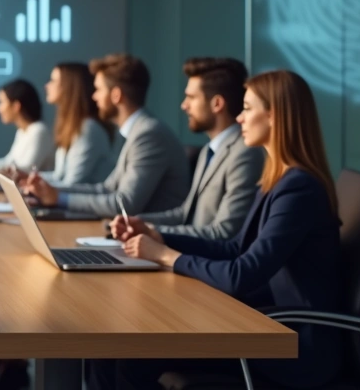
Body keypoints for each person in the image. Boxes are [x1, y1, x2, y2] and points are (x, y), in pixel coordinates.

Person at [90, 70, 343, 389]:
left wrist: (166, 256)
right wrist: (160, 236)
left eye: (248, 108)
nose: (239, 118)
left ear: (275, 115)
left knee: (128, 351)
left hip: (288, 343)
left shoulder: (299, 189)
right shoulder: (278, 181)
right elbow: (236, 248)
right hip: (262, 323)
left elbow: (242, 274)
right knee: (110, 345)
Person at [0, 65, 114, 388]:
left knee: (9, 274)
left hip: (76, 226)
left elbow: (68, 186)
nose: (47, 85)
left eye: (54, 80)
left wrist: (16, 178)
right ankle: (1, 360)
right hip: (66, 219)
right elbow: (56, 180)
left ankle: (8, 362)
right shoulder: (70, 128)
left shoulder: (84, 130)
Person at [111, 57, 264, 242]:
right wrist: (136, 222)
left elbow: (224, 233)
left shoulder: (244, 154)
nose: (184, 105)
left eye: (191, 97)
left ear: (217, 104)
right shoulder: (210, 149)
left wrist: (153, 232)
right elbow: (186, 214)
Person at [21, 54, 190, 217]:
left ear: (116, 95)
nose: (94, 96)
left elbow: (125, 204)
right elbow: (107, 189)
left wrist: (58, 198)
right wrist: (52, 192)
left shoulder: (148, 134)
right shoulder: (139, 131)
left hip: (149, 239)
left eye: (99, 90)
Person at [44, 62, 115, 186]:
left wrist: (37, 189)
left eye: (53, 81)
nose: (47, 86)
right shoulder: (73, 126)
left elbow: (72, 183)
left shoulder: (88, 129)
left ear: (69, 87)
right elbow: (59, 175)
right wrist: (28, 179)